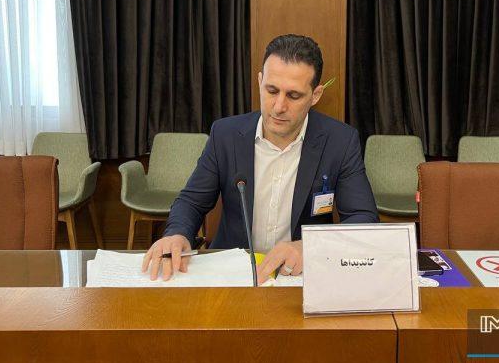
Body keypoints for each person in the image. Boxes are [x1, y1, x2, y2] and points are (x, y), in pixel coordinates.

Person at [142, 34, 378, 284]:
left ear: (315, 95)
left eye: (294, 96)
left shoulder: (340, 141)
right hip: (234, 271)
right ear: (259, 81)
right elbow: (192, 201)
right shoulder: (225, 134)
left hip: (299, 275)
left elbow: (363, 219)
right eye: (271, 90)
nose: (278, 106)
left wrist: (309, 247)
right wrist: (178, 234)